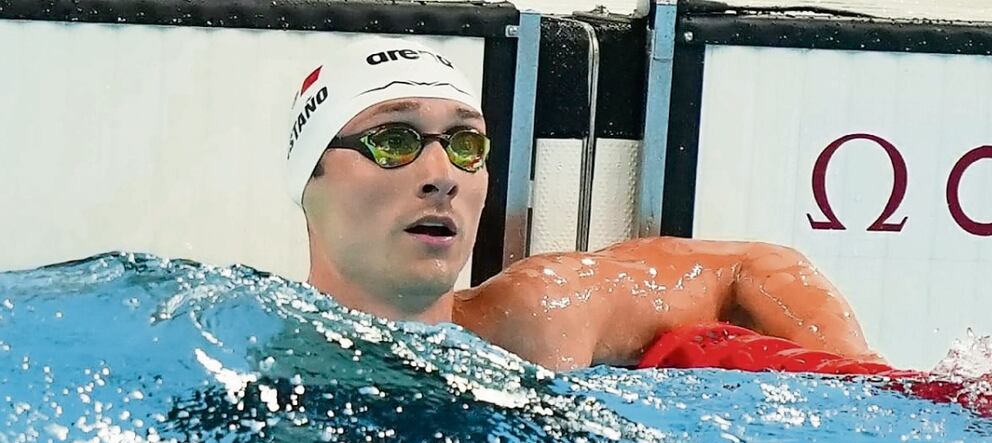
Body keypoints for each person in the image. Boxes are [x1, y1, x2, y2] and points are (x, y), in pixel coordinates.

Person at [285, 36, 881, 371]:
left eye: (467, 145)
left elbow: (753, 266)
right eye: (394, 141)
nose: (442, 176)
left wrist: (857, 387)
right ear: (308, 182)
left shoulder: (540, 318)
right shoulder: (243, 353)